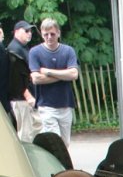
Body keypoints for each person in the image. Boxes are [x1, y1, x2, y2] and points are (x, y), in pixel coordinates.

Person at [28, 18, 78, 147]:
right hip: (46, 105)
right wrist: (63, 75)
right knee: (55, 142)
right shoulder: (35, 52)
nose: (49, 37)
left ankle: (63, 165)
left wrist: (48, 72)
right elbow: (36, 79)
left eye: (52, 34)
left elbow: (74, 74)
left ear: (58, 33)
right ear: (42, 34)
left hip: (65, 104)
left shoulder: (68, 51)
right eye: (46, 34)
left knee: (65, 143)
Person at [7, 20, 38, 141]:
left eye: (30, 31)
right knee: (26, 135)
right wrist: (28, 96)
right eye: (26, 30)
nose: (29, 33)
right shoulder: (14, 49)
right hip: (22, 100)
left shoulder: (22, 48)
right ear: (16, 32)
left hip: (26, 99)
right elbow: (16, 78)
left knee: (32, 131)